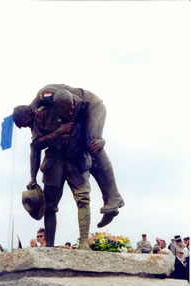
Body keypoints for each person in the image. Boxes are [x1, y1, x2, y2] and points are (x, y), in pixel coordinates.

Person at [29, 84, 125, 227]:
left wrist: (101, 140)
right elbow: (37, 144)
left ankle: (113, 197)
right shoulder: (43, 111)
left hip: (94, 106)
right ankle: (112, 199)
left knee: (92, 143)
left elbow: (73, 110)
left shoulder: (46, 95)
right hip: (76, 111)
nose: (70, 112)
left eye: (71, 109)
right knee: (87, 145)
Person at [13, 103, 92, 249]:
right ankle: (49, 246)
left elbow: (86, 129)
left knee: (83, 199)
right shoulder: (38, 119)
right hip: (54, 162)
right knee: (50, 206)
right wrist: (33, 177)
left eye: (23, 124)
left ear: (25, 115)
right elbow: (36, 146)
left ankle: (84, 242)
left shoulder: (61, 109)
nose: (26, 126)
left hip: (76, 159)